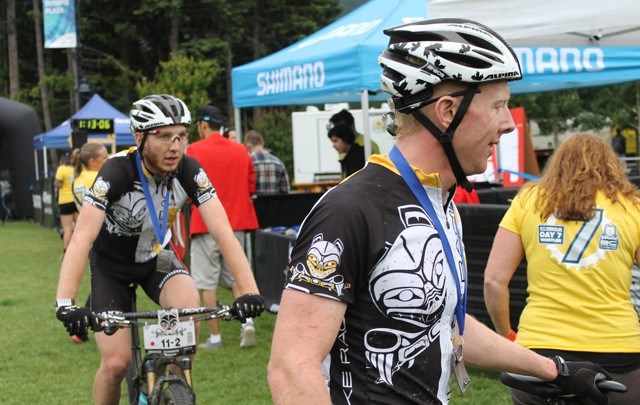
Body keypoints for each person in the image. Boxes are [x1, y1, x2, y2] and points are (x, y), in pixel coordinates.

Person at [268, 19, 612, 405]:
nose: (507, 124)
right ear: (448, 110)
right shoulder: (349, 209)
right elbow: (292, 366)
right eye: (499, 106)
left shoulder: (438, 201)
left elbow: (445, 324)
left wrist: (557, 370)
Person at [54, 94, 264, 404]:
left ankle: (170, 387)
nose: (175, 146)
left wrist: (248, 291)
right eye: (164, 136)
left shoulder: (189, 169)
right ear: (140, 137)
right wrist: (65, 302)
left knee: (187, 321)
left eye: (181, 135)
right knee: (115, 364)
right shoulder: (116, 172)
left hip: (156, 258)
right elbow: (82, 237)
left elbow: (223, 232)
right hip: (111, 266)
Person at [484, 133, 640, 404]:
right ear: (611, 165)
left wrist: (506, 336)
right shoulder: (632, 207)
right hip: (619, 355)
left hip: (538, 354)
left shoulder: (527, 201)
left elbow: (494, 282)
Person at [187, 105, 260, 350]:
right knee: (236, 276)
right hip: (236, 222)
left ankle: (215, 337)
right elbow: (251, 185)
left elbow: (185, 188)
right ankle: (247, 321)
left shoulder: (194, 150)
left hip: (205, 223)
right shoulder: (241, 150)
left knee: (206, 282)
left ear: (203, 125)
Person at [67, 142, 109, 344]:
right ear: (93, 161)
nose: (108, 160)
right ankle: (82, 327)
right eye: (105, 157)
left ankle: (82, 329)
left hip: (91, 238)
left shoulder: (77, 180)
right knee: (104, 286)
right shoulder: (99, 179)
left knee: (101, 285)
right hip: (106, 236)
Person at [244, 129, 290, 195]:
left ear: (249, 146)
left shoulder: (248, 163)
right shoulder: (278, 163)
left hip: (255, 204)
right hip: (276, 204)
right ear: (262, 143)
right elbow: (285, 191)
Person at [55, 149, 79, 254]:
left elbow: (58, 184)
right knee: (78, 227)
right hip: (76, 200)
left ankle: (66, 250)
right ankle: (80, 249)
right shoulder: (76, 168)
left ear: (63, 158)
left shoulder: (61, 169)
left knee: (67, 228)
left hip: (65, 200)